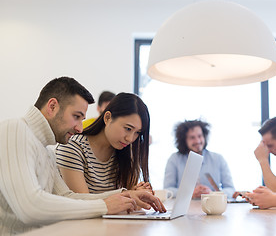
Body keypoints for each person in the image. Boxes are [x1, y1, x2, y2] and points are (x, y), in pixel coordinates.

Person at [0, 77, 165, 235]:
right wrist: (104, 206)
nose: (80, 128)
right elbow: (30, 207)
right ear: (52, 106)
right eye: (76, 117)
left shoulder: (47, 152)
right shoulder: (14, 129)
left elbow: (69, 197)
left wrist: (126, 195)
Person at [56, 92, 153, 194]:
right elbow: (82, 203)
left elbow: (131, 203)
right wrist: (130, 196)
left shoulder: (127, 152)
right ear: (107, 118)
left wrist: (140, 194)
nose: (130, 138)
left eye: (137, 132)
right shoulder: (73, 147)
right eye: (128, 128)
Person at [164, 120, 235, 199]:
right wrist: (189, 193)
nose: (197, 141)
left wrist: (212, 194)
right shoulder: (174, 159)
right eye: (192, 137)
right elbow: (167, 191)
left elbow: (231, 189)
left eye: (200, 136)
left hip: (212, 206)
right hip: (185, 209)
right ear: (184, 140)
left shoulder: (218, 159)